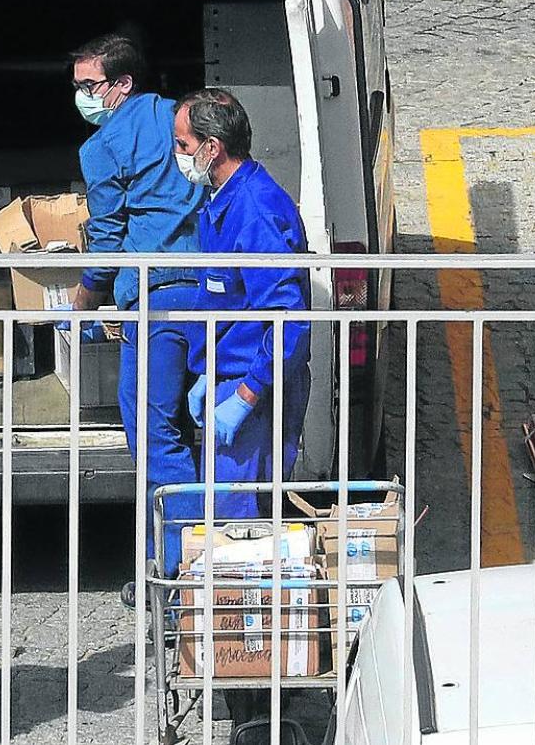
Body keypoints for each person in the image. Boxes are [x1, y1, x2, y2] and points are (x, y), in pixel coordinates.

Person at [173, 85, 313, 736]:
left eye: (183, 146)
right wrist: (205, 374)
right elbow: (226, 300)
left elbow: (287, 319)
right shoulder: (222, 201)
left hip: (253, 404)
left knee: (240, 547)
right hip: (231, 391)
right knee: (234, 541)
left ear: (213, 147)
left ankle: (254, 702)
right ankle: (246, 688)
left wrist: (244, 396)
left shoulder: (254, 208)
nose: (179, 156)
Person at [64, 33, 206, 586]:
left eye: (88, 85)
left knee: (153, 432)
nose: (80, 95)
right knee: (200, 426)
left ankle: (177, 568)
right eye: (76, 86)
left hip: (156, 300)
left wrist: (81, 302)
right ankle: (198, 549)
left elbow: (106, 239)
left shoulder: (101, 148)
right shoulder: (181, 120)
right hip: (212, 291)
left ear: (122, 84)